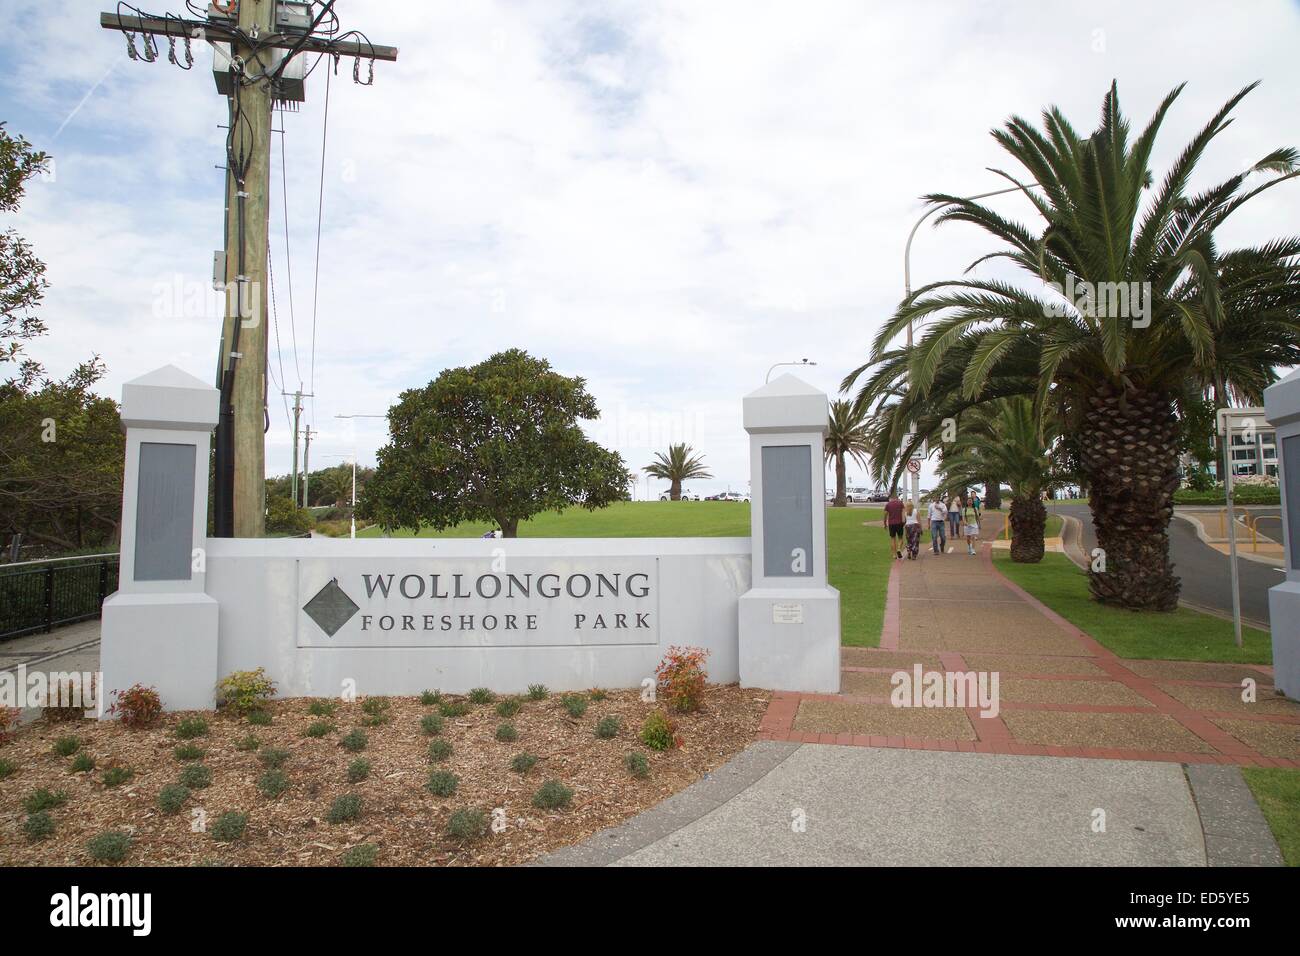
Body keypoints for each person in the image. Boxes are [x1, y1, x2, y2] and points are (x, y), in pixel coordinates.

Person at [883, 491, 906, 559]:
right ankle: (899, 548)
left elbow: (885, 514)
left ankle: (894, 554)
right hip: (899, 523)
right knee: (900, 538)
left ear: (891, 498)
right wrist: (904, 521)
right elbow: (903, 512)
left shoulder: (888, 504)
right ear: (897, 497)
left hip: (891, 524)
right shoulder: (900, 503)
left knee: (893, 539)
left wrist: (884, 523)